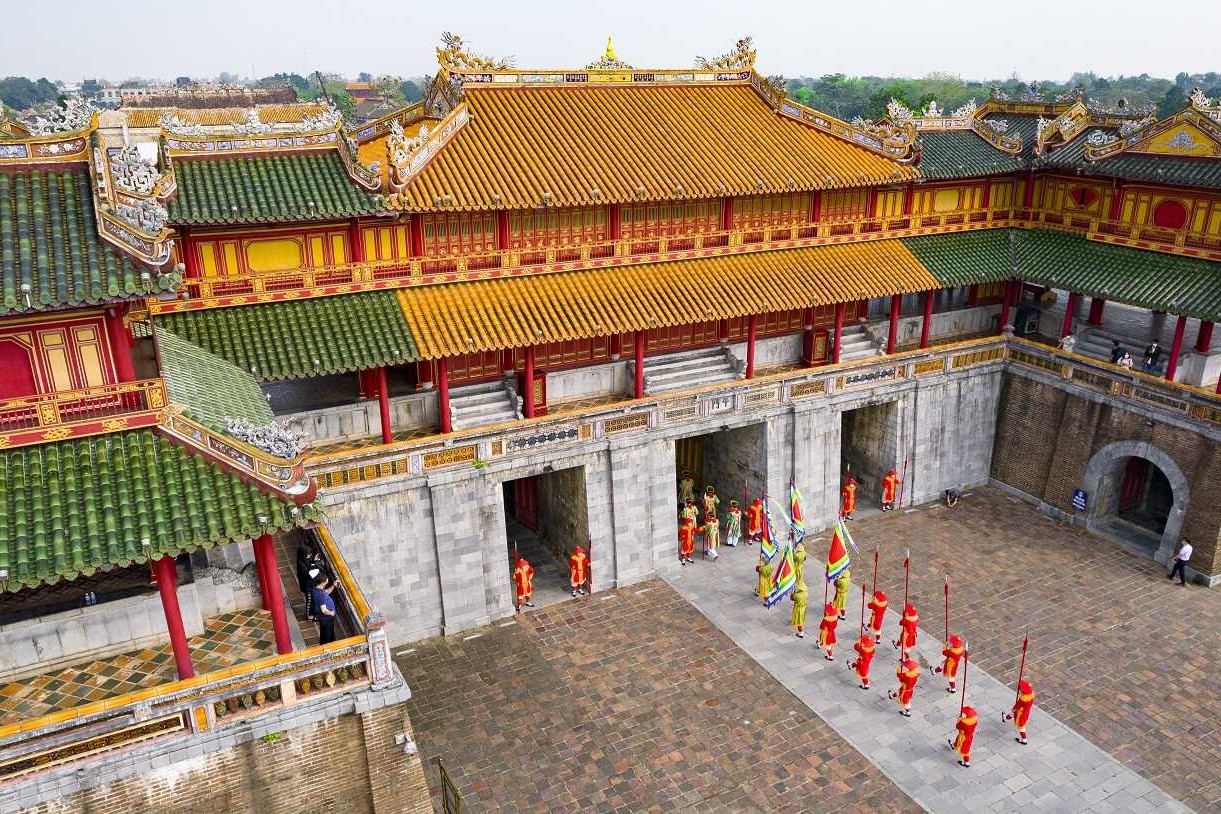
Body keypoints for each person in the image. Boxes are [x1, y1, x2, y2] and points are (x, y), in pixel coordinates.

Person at [295, 541, 324, 620]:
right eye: (308, 554)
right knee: (310, 600)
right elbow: (309, 573)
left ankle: (313, 613)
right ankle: (309, 615)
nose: (309, 555)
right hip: (307, 585)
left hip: (310, 584)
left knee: (313, 600)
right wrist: (314, 563)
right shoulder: (301, 563)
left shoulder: (305, 560)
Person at [1003, 680, 1036, 745]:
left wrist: (1013, 709)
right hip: (1026, 711)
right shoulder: (1032, 693)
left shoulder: (1023, 698)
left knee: (1021, 727)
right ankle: (1005, 718)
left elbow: (1017, 706)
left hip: (1021, 713)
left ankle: (1024, 739)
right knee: (1012, 714)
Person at [311, 573, 337, 645]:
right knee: (328, 635)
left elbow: (326, 592)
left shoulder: (316, 589)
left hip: (323, 618)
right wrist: (331, 613)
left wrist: (333, 586)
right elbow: (324, 610)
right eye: (326, 579)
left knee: (325, 633)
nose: (327, 580)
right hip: (326, 618)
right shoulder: (321, 594)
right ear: (322, 583)